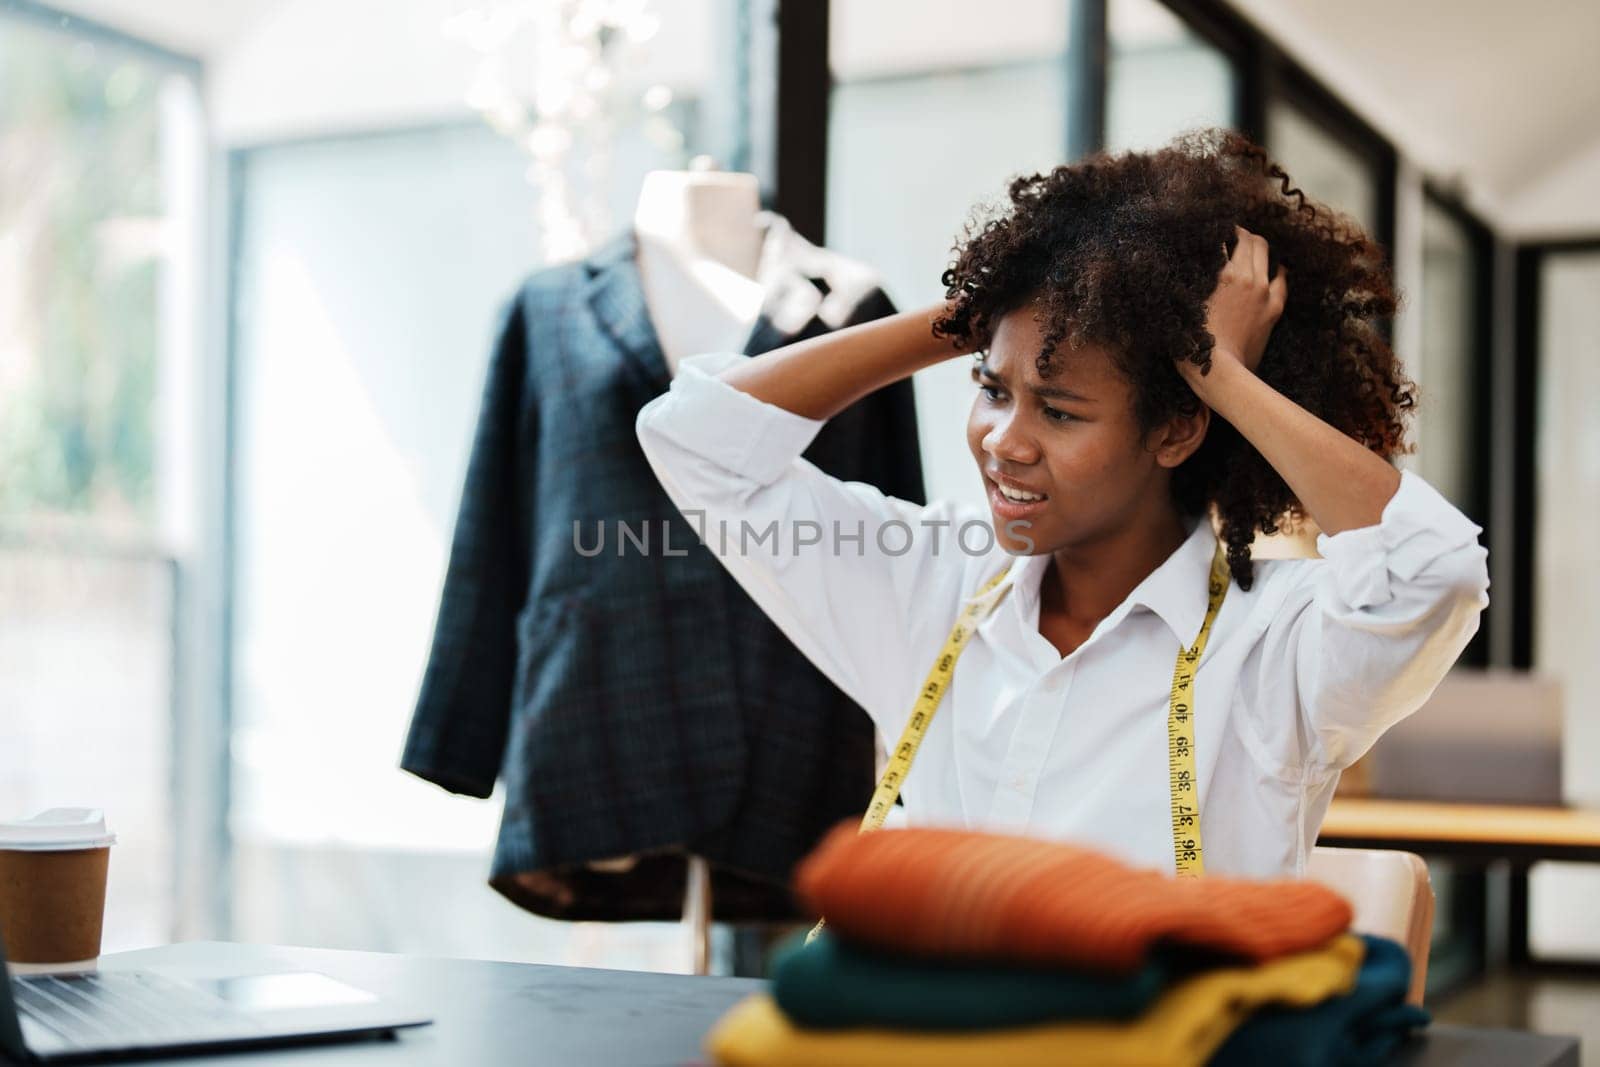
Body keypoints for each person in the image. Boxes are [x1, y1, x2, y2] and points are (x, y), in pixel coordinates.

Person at [633, 128, 1489, 879]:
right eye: (991, 389)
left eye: (1060, 409)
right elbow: (695, 442)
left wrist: (1215, 368)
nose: (1004, 439)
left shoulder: (1274, 648)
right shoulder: (931, 582)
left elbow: (1432, 573)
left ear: (1179, 430)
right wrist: (976, 311)